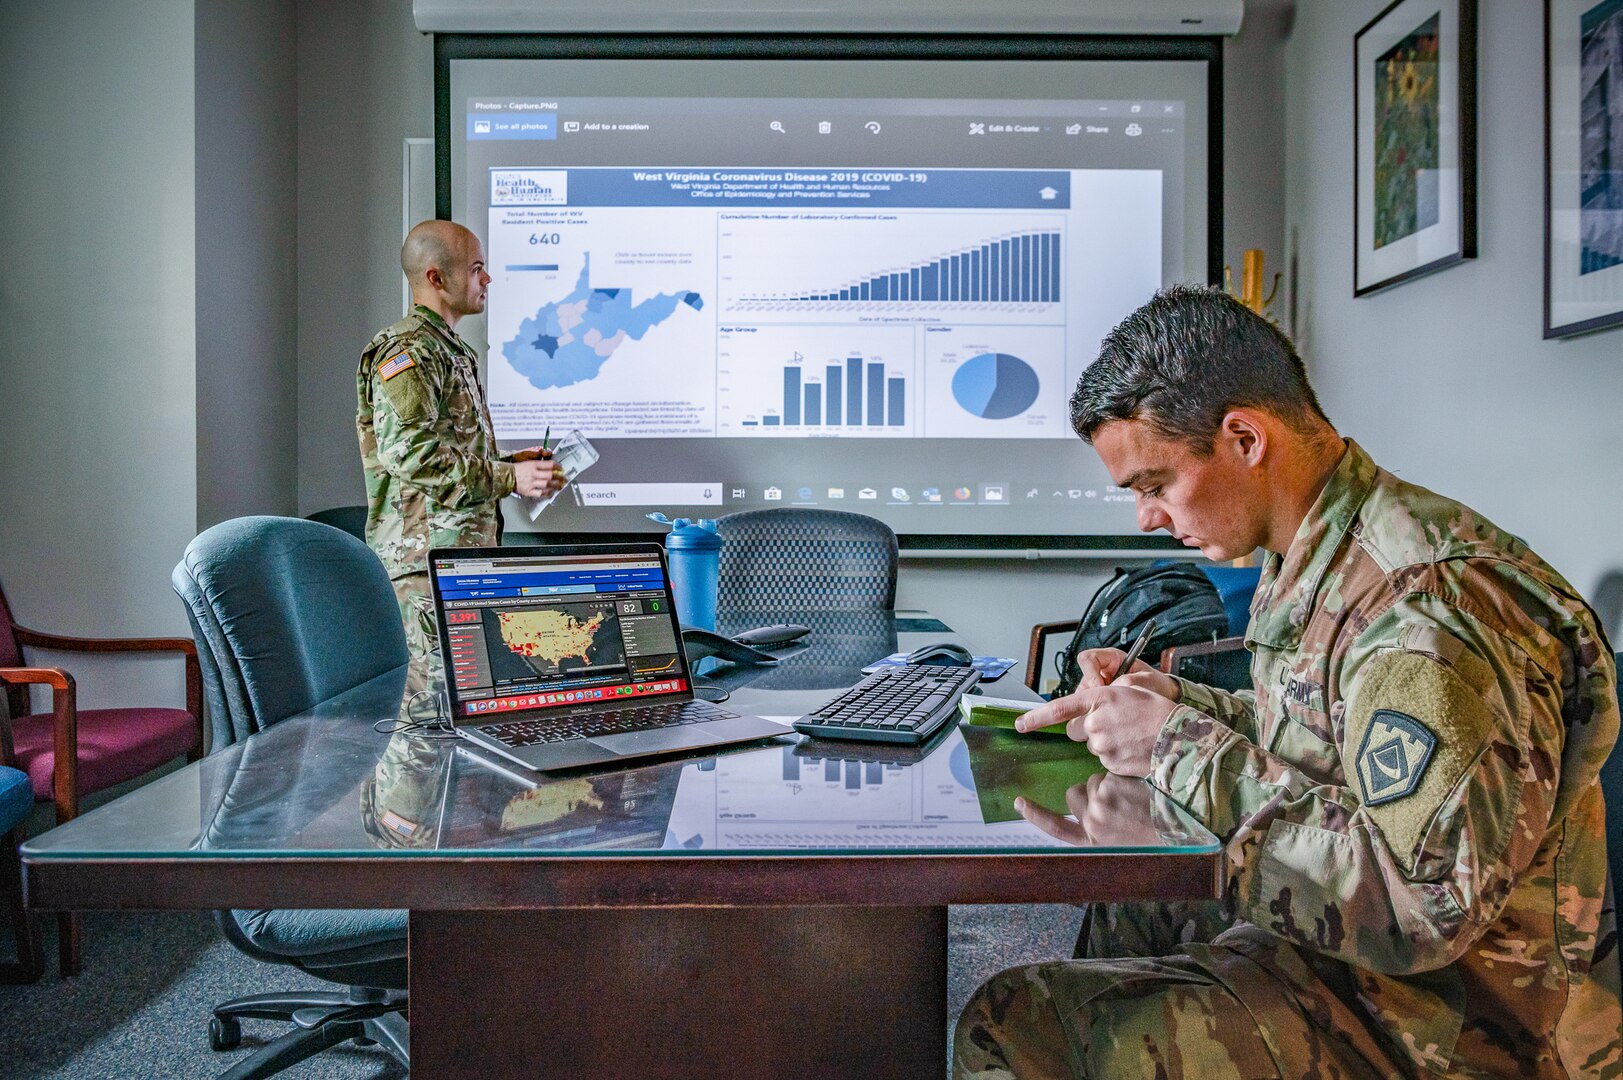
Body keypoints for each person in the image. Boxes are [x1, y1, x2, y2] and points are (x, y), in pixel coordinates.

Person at [954, 285, 1621, 1079]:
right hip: (1375, 975)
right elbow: (1322, 738)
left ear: (1242, 437)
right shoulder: (1316, 547)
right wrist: (1174, 703)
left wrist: (1174, 746)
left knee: (1016, 1021)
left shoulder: (1428, 608)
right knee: (1136, 890)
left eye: (1154, 484)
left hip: (1453, 1025)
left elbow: (1424, 908)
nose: (1146, 517)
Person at [357, 219, 565, 662]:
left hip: (459, 562)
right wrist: (510, 477)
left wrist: (514, 463)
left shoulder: (448, 348)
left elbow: (447, 452)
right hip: (424, 569)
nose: (487, 278)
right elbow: (412, 456)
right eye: (476, 269)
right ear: (436, 277)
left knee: (468, 698)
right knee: (432, 706)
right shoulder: (408, 351)